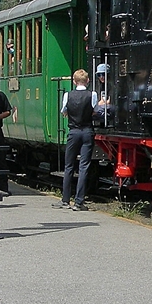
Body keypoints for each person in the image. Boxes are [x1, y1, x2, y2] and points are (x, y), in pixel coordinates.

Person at [57, 68, 94, 211]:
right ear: (88, 81)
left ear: (74, 81)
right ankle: (79, 202)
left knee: (69, 166)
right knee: (84, 166)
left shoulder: (68, 95)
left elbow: (64, 111)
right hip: (87, 131)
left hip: (73, 132)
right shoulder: (93, 95)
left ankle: (65, 200)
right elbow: (95, 110)